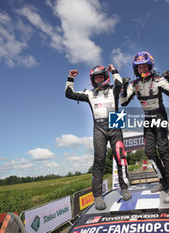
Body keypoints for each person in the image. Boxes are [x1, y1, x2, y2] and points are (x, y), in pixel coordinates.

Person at [65, 64, 131, 210]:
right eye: (96, 78)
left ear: (106, 78)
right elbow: (69, 94)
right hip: (99, 126)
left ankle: (125, 188)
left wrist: (114, 70)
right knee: (99, 160)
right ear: (93, 80)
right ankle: (98, 196)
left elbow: (120, 83)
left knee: (120, 157)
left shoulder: (114, 89)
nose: (99, 80)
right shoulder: (89, 93)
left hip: (116, 121)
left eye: (101, 77)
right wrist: (70, 78)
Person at [120, 51, 169, 203]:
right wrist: (123, 87)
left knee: (163, 149)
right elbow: (123, 102)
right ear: (136, 69)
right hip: (148, 118)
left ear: (150, 67)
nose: (142, 70)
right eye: (139, 68)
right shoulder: (134, 84)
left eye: (145, 67)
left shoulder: (158, 79)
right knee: (149, 151)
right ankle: (163, 180)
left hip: (160, 115)